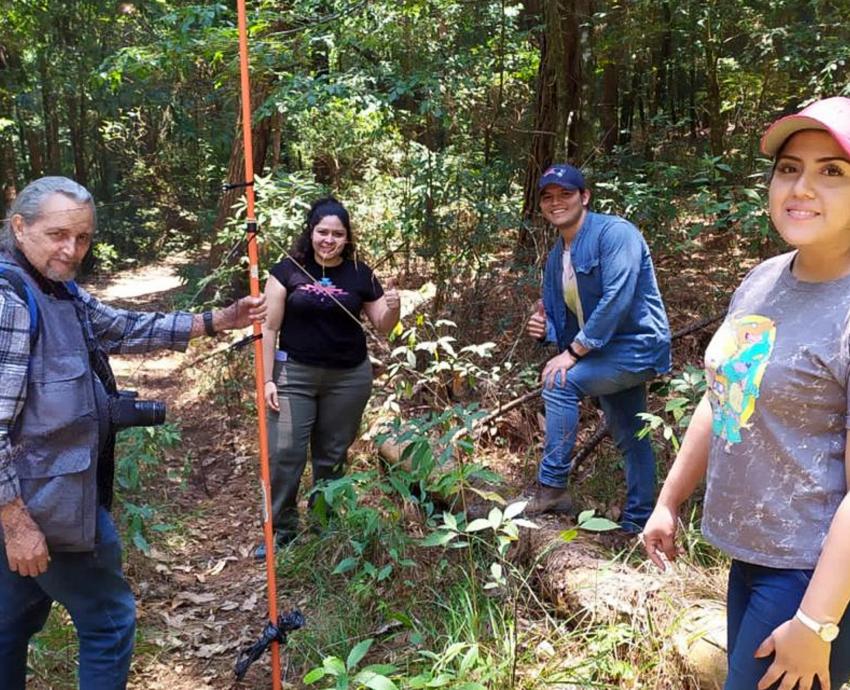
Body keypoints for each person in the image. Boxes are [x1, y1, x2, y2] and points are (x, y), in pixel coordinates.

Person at [0, 176, 266, 689]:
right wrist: (15, 521)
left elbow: (122, 327)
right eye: (58, 234)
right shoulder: (11, 301)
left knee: (9, 622)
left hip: (42, 498)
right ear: (19, 227)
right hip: (46, 507)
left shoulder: (56, 291)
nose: (71, 249)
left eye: (82, 237)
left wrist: (217, 320)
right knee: (109, 622)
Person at [642, 96, 850, 690]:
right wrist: (669, 500)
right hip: (752, 555)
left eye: (831, 171)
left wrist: (816, 622)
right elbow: (726, 394)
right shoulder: (762, 280)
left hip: (812, 573)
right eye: (790, 168)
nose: (802, 187)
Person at [524, 163, 671, 535]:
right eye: (548, 197)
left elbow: (617, 299)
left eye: (566, 194)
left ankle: (553, 486)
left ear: (584, 196)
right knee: (630, 435)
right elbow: (565, 320)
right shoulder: (557, 258)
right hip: (602, 353)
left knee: (559, 383)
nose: (557, 202)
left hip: (636, 348)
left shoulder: (615, 234)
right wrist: (544, 331)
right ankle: (638, 522)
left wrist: (573, 353)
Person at [260, 197, 399, 556]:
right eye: (323, 231)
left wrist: (395, 307)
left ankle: (324, 528)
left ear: (347, 237)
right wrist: (267, 379)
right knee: (284, 454)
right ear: (311, 232)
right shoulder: (287, 270)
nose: (329, 239)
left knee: (332, 456)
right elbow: (269, 328)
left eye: (338, 233)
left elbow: (383, 325)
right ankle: (281, 530)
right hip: (294, 374)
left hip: (348, 378)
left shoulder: (360, 273)